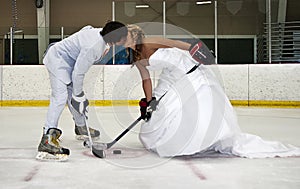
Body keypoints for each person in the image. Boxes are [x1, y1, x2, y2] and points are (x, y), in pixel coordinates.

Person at [125, 24, 300, 158]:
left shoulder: (149, 42)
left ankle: (196, 138)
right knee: (158, 116)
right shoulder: (135, 55)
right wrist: (149, 101)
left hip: (186, 71)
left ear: (135, 35)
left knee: (188, 107)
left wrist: (199, 52)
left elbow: (176, 44)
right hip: (170, 77)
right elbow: (146, 78)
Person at [36, 21, 128, 161]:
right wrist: (78, 95)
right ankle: (47, 139)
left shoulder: (101, 35)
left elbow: (86, 29)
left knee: (75, 98)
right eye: (123, 37)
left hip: (69, 64)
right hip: (58, 61)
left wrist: (78, 96)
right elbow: (78, 73)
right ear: (114, 36)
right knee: (60, 97)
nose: (125, 40)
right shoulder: (94, 46)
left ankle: (81, 127)